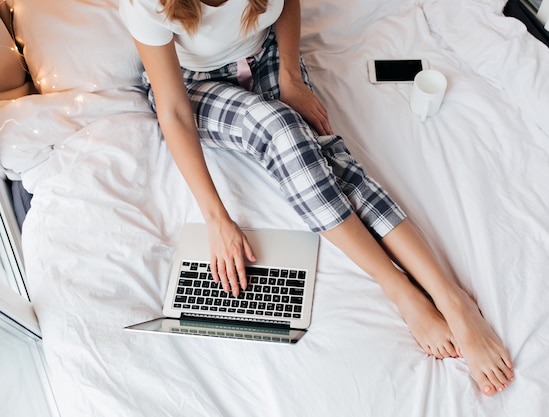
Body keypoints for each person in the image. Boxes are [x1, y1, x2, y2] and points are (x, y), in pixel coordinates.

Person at [119, 0, 514, 396]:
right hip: (192, 85)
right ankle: (398, 287)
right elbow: (173, 111)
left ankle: (452, 298)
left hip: (267, 55)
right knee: (280, 128)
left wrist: (291, 76)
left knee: (327, 158)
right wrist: (217, 219)